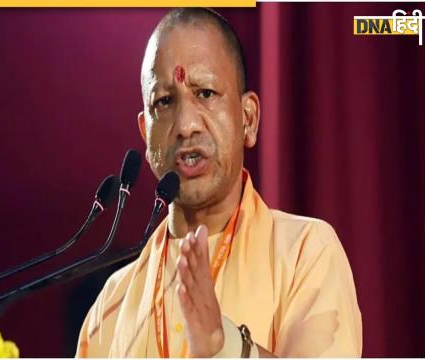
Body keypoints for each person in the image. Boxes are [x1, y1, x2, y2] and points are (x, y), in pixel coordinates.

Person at [76, 8, 362, 358]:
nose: (185, 125)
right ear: (145, 135)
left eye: (206, 93)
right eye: (164, 102)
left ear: (249, 118)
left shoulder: (305, 252)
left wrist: (223, 344)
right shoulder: (112, 306)